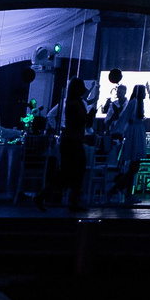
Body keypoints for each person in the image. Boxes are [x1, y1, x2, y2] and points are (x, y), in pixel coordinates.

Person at [57, 71, 91, 210]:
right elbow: (75, 122)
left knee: (72, 171)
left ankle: (72, 199)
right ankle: (72, 200)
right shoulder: (73, 104)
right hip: (72, 140)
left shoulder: (76, 102)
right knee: (73, 171)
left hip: (74, 139)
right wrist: (87, 118)